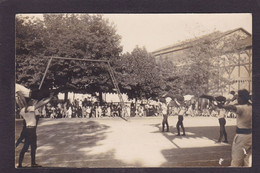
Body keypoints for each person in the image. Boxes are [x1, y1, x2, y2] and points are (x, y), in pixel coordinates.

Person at [217, 89, 252, 167]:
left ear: (242, 98)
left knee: (236, 162)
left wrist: (222, 106)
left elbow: (232, 107)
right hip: (251, 135)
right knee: (247, 162)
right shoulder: (251, 106)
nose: (238, 99)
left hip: (241, 137)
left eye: (239, 97)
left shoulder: (241, 108)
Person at [18, 95, 53, 168]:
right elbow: (41, 104)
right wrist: (49, 98)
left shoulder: (22, 110)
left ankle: (20, 164)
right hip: (31, 130)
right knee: (31, 147)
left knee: (28, 147)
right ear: (29, 102)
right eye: (31, 101)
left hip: (28, 129)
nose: (32, 102)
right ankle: (31, 163)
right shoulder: (30, 108)